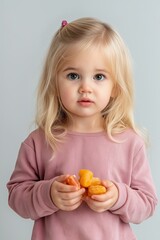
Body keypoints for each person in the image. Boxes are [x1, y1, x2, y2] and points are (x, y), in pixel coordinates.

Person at [7, 17, 157, 240]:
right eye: (73, 76)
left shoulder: (129, 142)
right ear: (55, 83)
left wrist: (119, 197)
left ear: (115, 86)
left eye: (99, 76)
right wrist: (48, 194)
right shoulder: (39, 142)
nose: (86, 87)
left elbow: (147, 204)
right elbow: (17, 197)